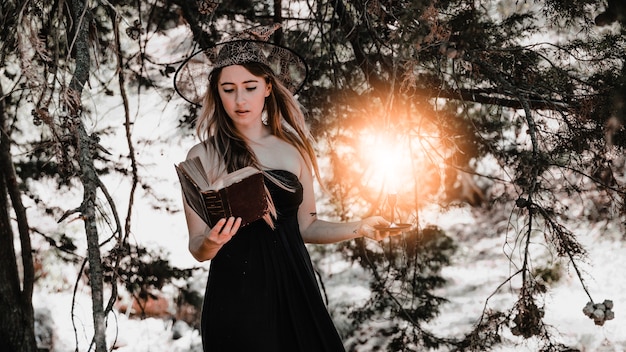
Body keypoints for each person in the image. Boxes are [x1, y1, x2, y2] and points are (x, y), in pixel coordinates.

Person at [174, 25, 392, 352]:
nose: (239, 99)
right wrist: (211, 241)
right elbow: (196, 247)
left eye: (249, 87)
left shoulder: (294, 150)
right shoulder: (202, 156)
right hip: (237, 299)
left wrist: (360, 227)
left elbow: (307, 225)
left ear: (267, 88)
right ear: (217, 93)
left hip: (296, 289)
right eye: (228, 89)